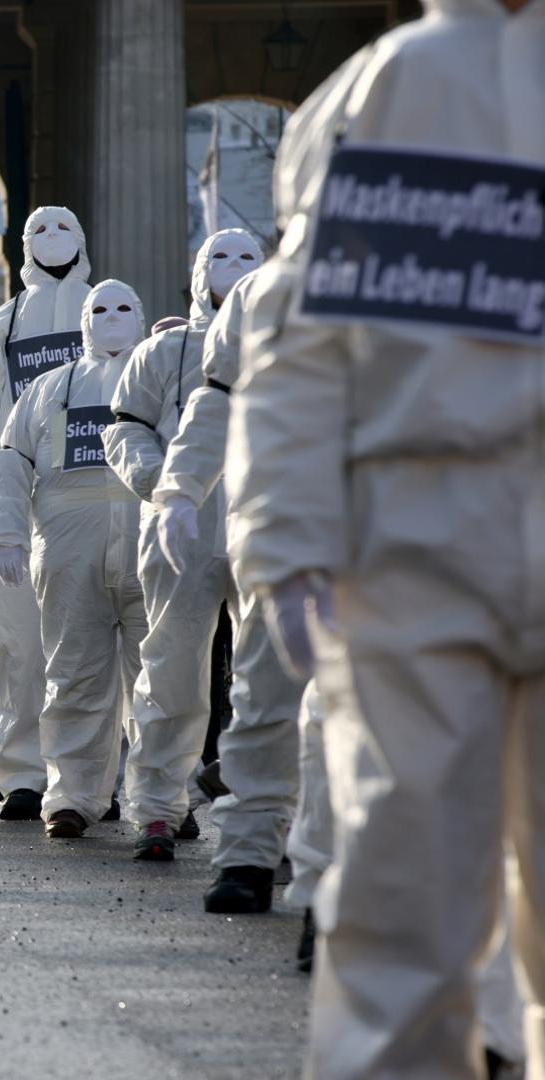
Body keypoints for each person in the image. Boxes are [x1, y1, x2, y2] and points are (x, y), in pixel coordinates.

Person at [225, 2, 545, 1073]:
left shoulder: (378, 85)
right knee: (404, 902)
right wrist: (286, 536)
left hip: (409, 531)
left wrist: (287, 537)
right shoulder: (388, 87)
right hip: (412, 536)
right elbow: (303, 342)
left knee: (402, 909)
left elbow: (297, 345)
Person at [150, 261, 307, 910]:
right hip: (281, 520)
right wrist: (181, 483)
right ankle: (246, 854)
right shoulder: (261, 292)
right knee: (265, 703)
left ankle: (328, 880)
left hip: (395, 522)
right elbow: (217, 395)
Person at [103, 228, 263, 861]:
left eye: (247, 257)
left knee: (267, 677)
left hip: (261, 520)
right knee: (171, 669)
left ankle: (266, 822)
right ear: (197, 273)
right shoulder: (163, 351)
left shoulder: (286, 338)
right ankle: (159, 810)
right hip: (182, 528)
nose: (232, 268)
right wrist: (161, 487)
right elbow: (126, 428)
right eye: (219, 258)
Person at [0, 280, 148, 838]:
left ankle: (159, 802)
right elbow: (9, 463)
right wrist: (6, 534)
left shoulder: (164, 381)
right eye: (99, 309)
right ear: (82, 319)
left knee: (158, 680)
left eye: (124, 308)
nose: (111, 318)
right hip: (67, 556)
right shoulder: (50, 389)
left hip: (151, 553)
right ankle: (72, 796)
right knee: (74, 676)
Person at [0, 207, 92, 818]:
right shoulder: (2, 326)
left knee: (94, 651)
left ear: (82, 241)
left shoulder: (107, 307)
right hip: (21, 500)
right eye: (38, 230)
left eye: (63, 229)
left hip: (94, 495)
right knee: (15, 647)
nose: (50, 239)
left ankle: (92, 778)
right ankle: (24, 775)